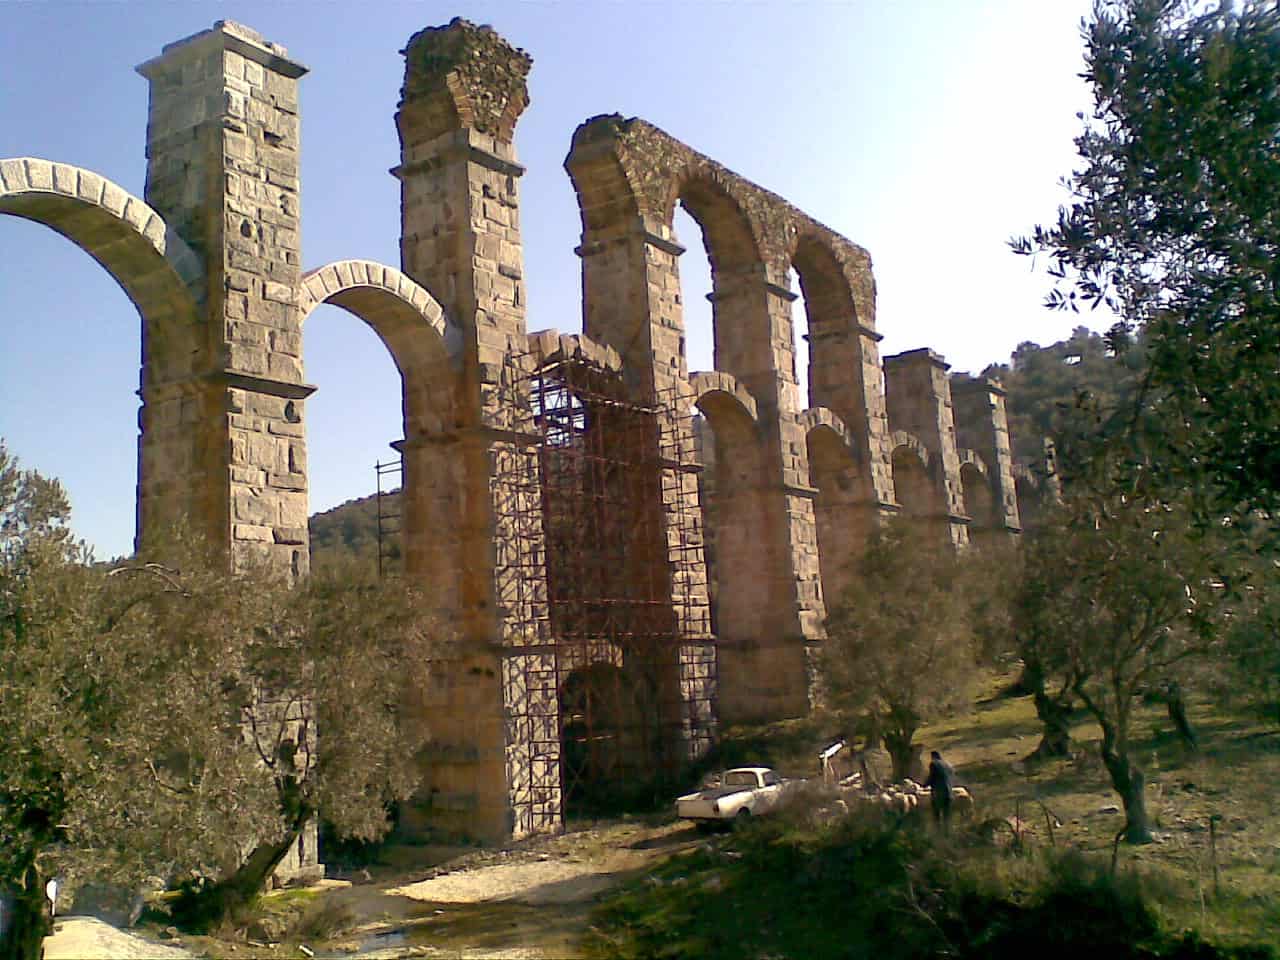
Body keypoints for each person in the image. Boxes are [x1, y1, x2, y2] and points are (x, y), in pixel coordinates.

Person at [923, 750, 954, 829]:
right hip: (949, 793)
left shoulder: (934, 764)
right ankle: (948, 833)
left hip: (938, 793)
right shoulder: (948, 765)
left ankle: (938, 834)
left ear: (932, 757)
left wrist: (924, 785)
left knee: (936, 815)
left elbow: (932, 777)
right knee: (947, 815)